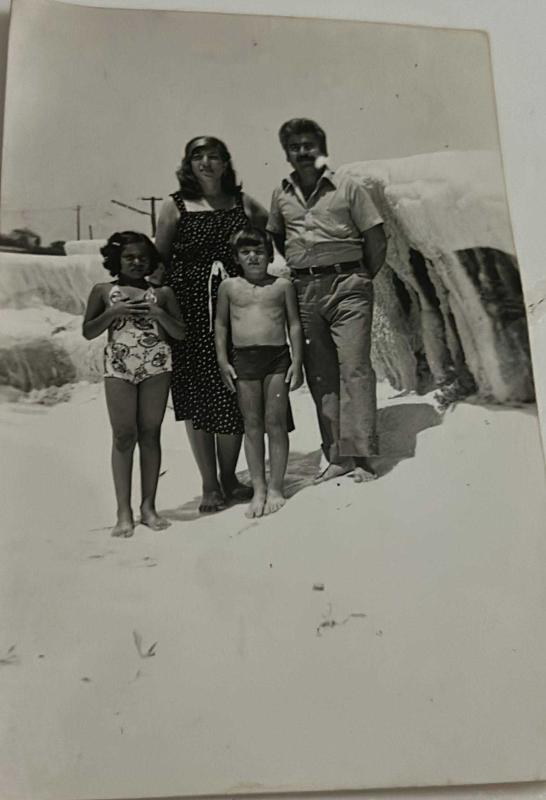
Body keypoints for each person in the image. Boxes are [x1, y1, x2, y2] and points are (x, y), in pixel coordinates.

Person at [267, 118, 387, 483]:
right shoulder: (280, 194)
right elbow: (277, 237)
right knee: (320, 374)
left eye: (309, 145)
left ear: (323, 149)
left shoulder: (349, 187)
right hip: (304, 290)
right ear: (286, 154)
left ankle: (361, 456)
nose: (303, 152)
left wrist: (360, 277)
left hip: (348, 284)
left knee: (354, 367)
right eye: (294, 147)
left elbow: (376, 238)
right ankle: (337, 456)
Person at [155, 136, 268, 513]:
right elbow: (159, 262)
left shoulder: (243, 203)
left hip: (236, 308)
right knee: (196, 395)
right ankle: (209, 483)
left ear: (225, 163)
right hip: (189, 312)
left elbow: (271, 235)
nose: (206, 163)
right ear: (188, 164)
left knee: (234, 389)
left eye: (214, 156)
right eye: (198, 157)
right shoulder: (174, 206)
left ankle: (229, 477)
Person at [82, 231, 185, 538]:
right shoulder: (104, 291)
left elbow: (180, 332)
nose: (137, 262)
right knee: (124, 436)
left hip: (157, 366)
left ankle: (149, 507)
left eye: (142, 257)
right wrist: (112, 313)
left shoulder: (162, 293)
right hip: (119, 368)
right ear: (116, 259)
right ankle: (123, 511)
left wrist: (159, 313)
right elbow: (88, 331)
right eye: (129, 257)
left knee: (151, 435)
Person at [215, 226, 303, 518]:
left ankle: (276, 487)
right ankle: (259, 489)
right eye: (246, 252)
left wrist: (297, 361)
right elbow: (221, 325)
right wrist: (223, 361)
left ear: (270, 255)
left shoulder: (282, 286)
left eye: (259, 251)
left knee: (275, 422)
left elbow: (294, 324)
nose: (253, 257)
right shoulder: (228, 287)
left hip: (277, 359)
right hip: (244, 360)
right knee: (252, 424)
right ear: (236, 257)